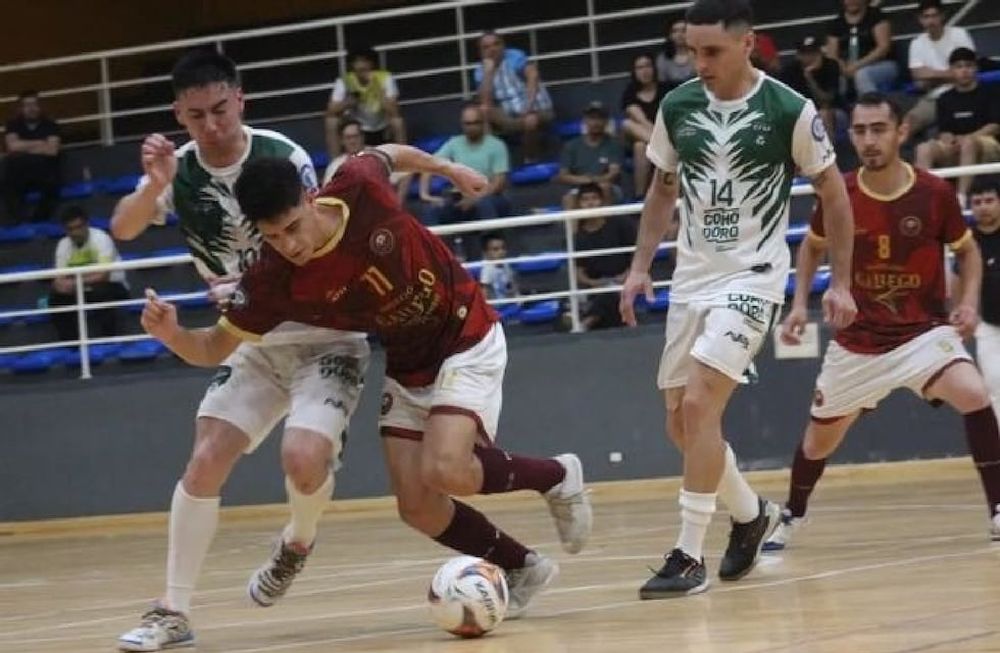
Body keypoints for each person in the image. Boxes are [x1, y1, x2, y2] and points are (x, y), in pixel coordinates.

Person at [140, 144, 594, 621]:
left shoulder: (358, 184)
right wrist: (171, 334)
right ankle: (522, 567)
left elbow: (390, 154)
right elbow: (212, 348)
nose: (290, 245)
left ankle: (558, 476)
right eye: (273, 237)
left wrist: (447, 168)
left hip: (465, 332)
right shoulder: (273, 280)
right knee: (417, 506)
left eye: (293, 227)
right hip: (407, 359)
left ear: (311, 197)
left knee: (445, 468)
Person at [110, 50, 369, 652]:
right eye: (196, 115)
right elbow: (124, 228)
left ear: (240, 100)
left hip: (324, 332)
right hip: (251, 339)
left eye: (220, 110)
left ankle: (298, 541)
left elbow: (318, 238)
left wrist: (257, 279)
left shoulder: (285, 157)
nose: (211, 125)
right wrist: (153, 187)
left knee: (303, 460)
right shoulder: (178, 170)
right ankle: (171, 611)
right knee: (205, 460)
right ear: (178, 113)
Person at [618, 0, 857, 599]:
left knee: (699, 408)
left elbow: (835, 194)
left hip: (752, 278)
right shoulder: (677, 107)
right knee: (680, 423)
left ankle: (688, 554)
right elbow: (662, 191)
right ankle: (751, 514)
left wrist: (844, 281)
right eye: (691, 52)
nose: (699, 64)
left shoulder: (789, 110)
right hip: (691, 281)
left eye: (711, 52)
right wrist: (639, 266)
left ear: (748, 43)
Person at [763, 93, 1000, 551]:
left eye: (878, 129)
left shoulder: (934, 193)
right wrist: (797, 305)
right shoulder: (841, 193)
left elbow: (968, 251)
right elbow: (811, 247)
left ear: (902, 132)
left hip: (923, 334)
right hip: (858, 344)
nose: (869, 140)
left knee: (973, 393)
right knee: (817, 443)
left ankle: (997, 509)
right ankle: (792, 514)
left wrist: (967, 301)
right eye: (860, 130)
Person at [915, 48, 1000, 203]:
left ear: (975, 68)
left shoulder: (991, 92)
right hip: (958, 146)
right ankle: (924, 200)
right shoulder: (944, 98)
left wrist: (968, 138)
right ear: (952, 70)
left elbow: (995, 126)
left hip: (989, 145)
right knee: (924, 148)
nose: (964, 70)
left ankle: (960, 198)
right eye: (959, 66)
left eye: (968, 65)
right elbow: (944, 131)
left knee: (968, 143)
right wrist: (950, 140)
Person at [48, 205, 129, 342]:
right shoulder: (63, 245)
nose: (75, 233)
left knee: (101, 292)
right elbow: (58, 280)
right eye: (70, 229)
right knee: (56, 299)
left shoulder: (101, 239)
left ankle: (110, 340)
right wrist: (62, 286)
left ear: (86, 225)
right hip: (79, 290)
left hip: (112, 286)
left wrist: (73, 283)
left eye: (78, 227)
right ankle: (72, 346)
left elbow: (103, 275)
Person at [420, 103, 511, 224]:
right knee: (432, 210)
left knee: (485, 204)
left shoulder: (497, 145)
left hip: (490, 196)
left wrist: (475, 197)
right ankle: (433, 243)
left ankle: (494, 241)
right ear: (462, 125)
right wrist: (425, 195)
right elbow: (428, 165)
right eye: (468, 124)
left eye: (476, 123)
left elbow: (498, 183)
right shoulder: (454, 143)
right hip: (460, 197)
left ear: (483, 123)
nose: (472, 127)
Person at [475, 31, 554, 163]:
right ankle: (490, 163)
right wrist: (488, 74)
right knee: (482, 111)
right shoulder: (480, 70)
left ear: (503, 45)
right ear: (481, 52)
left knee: (530, 120)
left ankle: (531, 159)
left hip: (537, 109)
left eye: (496, 44)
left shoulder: (514, 57)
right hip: (510, 114)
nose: (492, 49)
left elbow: (532, 75)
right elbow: (485, 102)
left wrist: (529, 106)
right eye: (486, 47)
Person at [905, 0, 975, 136]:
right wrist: (952, 75)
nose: (931, 21)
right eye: (926, 17)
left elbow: (968, 70)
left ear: (942, 16)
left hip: (962, 93)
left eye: (934, 15)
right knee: (906, 125)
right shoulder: (917, 43)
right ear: (920, 20)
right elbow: (917, 76)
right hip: (933, 98)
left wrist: (932, 78)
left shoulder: (959, 34)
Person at [575, 183, 636, 331]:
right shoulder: (579, 237)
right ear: (579, 205)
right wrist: (594, 283)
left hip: (627, 281)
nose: (590, 203)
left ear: (602, 201)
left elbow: (638, 253)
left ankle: (588, 322)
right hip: (598, 287)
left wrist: (628, 275)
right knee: (607, 295)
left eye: (594, 198)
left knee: (610, 295)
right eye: (585, 200)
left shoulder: (621, 223)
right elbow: (579, 272)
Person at [325, 47, 406, 157]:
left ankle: (404, 161)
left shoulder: (384, 78)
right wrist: (348, 103)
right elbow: (330, 111)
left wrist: (378, 90)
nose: (361, 66)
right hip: (357, 128)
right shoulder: (345, 81)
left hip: (382, 127)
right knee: (332, 120)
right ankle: (335, 164)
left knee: (397, 121)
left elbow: (394, 111)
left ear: (371, 64)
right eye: (357, 62)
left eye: (364, 61)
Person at [3, 91, 61, 224]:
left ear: (40, 106)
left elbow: (52, 150)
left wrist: (24, 147)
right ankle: (18, 221)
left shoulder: (50, 124)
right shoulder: (13, 124)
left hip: (44, 171)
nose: (31, 108)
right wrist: (40, 143)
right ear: (21, 108)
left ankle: (40, 221)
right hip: (20, 172)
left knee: (53, 184)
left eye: (35, 104)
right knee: (7, 180)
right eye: (27, 105)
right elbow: (12, 147)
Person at [968, 177, 1000, 418]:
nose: (983, 206)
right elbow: (958, 280)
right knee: (994, 387)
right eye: (977, 202)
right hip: (989, 327)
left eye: (989, 200)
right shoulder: (967, 243)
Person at [556, 101, 624, 210]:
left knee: (605, 187)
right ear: (585, 120)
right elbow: (563, 175)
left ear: (606, 121)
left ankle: (607, 225)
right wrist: (585, 180)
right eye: (592, 118)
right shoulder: (571, 146)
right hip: (580, 187)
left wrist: (596, 181)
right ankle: (572, 227)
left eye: (600, 118)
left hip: (607, 186)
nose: (596, 122)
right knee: (569, 198)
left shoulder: (613, 144)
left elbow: (613, 172)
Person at [323, 119, 410, 202]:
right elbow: (327, 194)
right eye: (348, 138)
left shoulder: (379, 155)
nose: (352, 141)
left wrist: (398, 203)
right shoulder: (335, 165)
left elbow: (406, 173)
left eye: (355, 136)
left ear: (362, 137)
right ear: (342, 141)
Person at [621, 54, 670, 198]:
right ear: (634, 71)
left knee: (640, 147)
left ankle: (640, 195)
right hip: (638, 134)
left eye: (647, 66)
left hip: (661, 134)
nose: (645, 71)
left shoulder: (665, 89)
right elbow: (640, 119)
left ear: (654, 68)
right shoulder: (630, 93)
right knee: (627, 124)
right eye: (640, 67)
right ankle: (663, 147)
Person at [825, 0, 898, 97]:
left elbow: (883, 48)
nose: (851, 1)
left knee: (861, 75)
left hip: (881, 65)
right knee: (833, 77)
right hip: (847, 68)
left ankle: (872, 107)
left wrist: (856, 66)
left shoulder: (877, 16)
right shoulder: (836, 23)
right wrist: (843, 67)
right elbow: (832, 55)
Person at [781, 37, 845, 141]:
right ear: (798, 55)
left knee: (823, 114)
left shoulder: (831, 65)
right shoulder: (789, 71)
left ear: (820, 53)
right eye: (805, 54)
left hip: (833, 112)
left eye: (813, 53)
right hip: (800, 111)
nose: (810, 57)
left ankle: (828, 154)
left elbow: (826, 101)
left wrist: (809, 77)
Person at [479, 232, 519, 301]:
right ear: (486, 253)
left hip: (508, 303)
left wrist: (517, 297)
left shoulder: (506, 265)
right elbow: (484, 292)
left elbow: (512, 284)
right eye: (495, 249)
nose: (501, 252)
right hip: (496, 307)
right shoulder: (487, 270)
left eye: (503, 248)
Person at [656, 19, 696, 88]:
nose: (679, 34)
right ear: (670, 35)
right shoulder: (663, 59)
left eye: (683, 31)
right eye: (675, 31)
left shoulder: (698, 54)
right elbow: (661, 85)